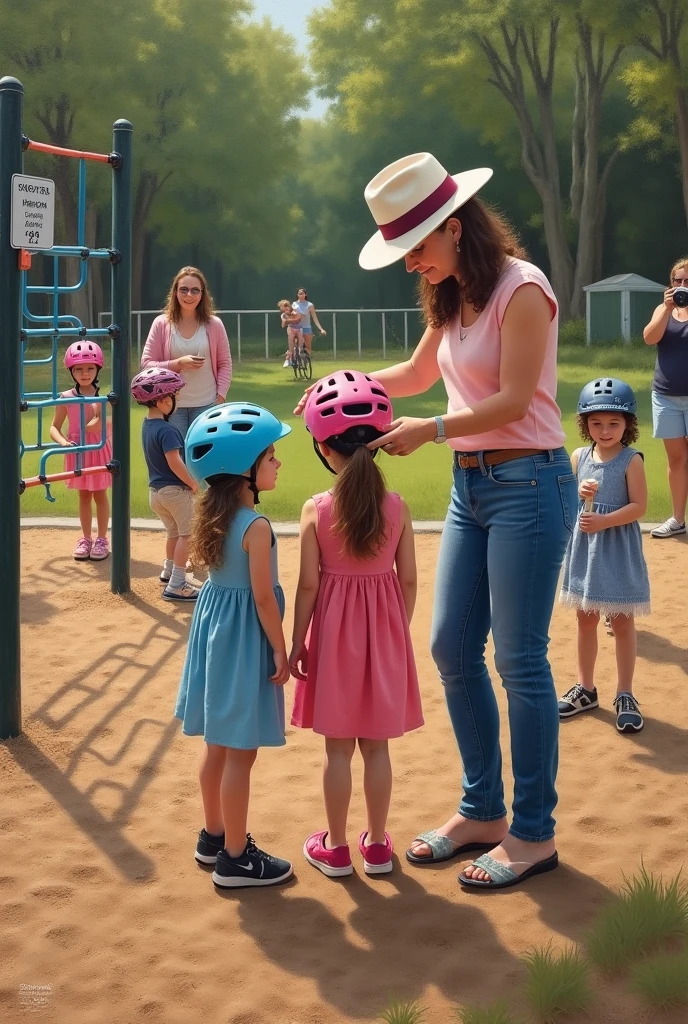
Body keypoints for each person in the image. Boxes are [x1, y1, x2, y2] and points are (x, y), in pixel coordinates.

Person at [295, 152, 578, 890]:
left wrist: (435, 430)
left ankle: (533, 833)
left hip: (529, 482)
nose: (410, 262)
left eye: (415, 247)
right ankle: (482, 810)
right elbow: (419, 376)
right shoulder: (454, 293)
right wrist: (336, 388)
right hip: (472, 489)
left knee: (520, 660)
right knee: (453, 648)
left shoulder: (523, 290)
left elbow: (516, 401)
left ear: (453, 228)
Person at [290, 371, 423, 878]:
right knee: (377, 747)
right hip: (382, 633)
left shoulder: (317, 509)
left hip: (332, 636)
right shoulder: (399, 507)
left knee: (337, 749)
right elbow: (407, 580)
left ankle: (337, 848)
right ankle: (376, 846)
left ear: (326, 450)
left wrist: (298, 641)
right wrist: (395, 629)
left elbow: (307, 585)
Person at [174, 403, 293, 889]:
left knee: (217, 745)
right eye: (270, 456)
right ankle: (237, 858)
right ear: (244, 469)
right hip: (245, 641)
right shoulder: (256, 527)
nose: (278, 463)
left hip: (214, 634)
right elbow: (263, 598)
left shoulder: (215, 518)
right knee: (241, 752)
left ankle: (213, 836)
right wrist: (282, 650)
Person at [558, 378, 649, 734]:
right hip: (585, 550)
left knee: (623, 621)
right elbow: (565, 500)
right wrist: (576, 491)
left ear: (628, 424)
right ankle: (586, 688)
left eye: (613, 423)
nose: (605, 430)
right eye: (596, 423)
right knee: (585, 618)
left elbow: (639, 507)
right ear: (585, 424)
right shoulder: (579, 457)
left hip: (617, 549)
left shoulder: (631, 460)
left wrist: (605, 520)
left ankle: (625, 693)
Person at [131, 367, 200, 602]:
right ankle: (177, 584)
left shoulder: (147, 426)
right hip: (174, 492)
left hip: (156, 493)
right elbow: (175, 462)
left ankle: (169, 571)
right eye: (174, 396)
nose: (176, 401)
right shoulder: (168, 430)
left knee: (173, 533)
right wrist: (192, 482)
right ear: (161, 400)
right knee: (187, 535)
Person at [141, 266, 232, 438]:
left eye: (195, 290)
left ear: (202, 294)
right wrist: (178, 364)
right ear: (175, 292)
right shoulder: (161, 323)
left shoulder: (214, 324)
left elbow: (225, 364)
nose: (189, 295)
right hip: (171, 406)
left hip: (207, 405)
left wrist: (220, 397)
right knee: (177, 459)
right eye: (183, 289)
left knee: (202, 459)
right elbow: (146, 364)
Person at [50, 341, 112, 562]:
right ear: (71, 371)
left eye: (90, 368)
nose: (85, 373)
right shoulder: (66, 397)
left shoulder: (105, 397)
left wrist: (100, 420)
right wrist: (63, 442)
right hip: (77, 451)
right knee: (84, 495)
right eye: (79, 369)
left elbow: (104, 423)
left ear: (97, 370)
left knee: (100, 493)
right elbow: (54, 427)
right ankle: (85, 538)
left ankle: (102, 538)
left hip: (98, 449)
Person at [643, 256, 688, 538]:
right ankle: (677, 519)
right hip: (665, 396)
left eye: (687, 281)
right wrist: (666, 309)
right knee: (676, 460)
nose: (682, 285)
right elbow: (649, 338)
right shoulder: (663, 309)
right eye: (678, 281)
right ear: (670, 284)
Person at [293, 288, 326, 355]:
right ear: (297, 295)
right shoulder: (294, 304)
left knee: (308, 346)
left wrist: (321, 329)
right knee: (296, 344)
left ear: (305, 294)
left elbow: (314, 318)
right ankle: (294, 358)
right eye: (299, 293)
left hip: (306, 327)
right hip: (297, 327)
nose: (301, 295)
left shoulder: (310, 305)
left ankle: (306, 360)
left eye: (302, 293)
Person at [278, 298, 303, 368]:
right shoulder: (283, 315)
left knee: (300, 339)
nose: (286, 309)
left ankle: (300, 354)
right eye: (283, 308)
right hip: (291, 329)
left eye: (287, 306)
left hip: (299, 329)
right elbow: (283, 325)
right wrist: (286, 321)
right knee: (291, 336)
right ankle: (289, 357)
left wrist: (289, 321)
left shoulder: (294, 312)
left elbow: (298, 320)